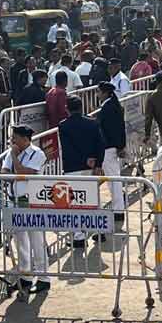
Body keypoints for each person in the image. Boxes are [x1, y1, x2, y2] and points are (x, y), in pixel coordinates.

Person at [1, 125, 49, 295]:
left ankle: (43, 278)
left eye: (15, 137)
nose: (12, 141)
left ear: (24, 138)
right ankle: (25, 276)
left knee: (37, 240)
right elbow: (4, 172)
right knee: (20, 240)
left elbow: (23, 172)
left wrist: (14, 156)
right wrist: (13, 159)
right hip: (14, 202)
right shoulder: (11, 153)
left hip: (32, 202)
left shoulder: (38, 154)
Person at [58, 96, 105, 248]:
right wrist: (97, 163)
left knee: (75, 203)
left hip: (72, 168)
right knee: (94, 199)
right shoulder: (92, 123)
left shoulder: (63, 126)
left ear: (67, 109)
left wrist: (84, 159)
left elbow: (68, 148)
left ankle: (79, 236)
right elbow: (100, 144)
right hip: (90, 168)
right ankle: (100, 230)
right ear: (81, 107)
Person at [95, 82, 126, 226]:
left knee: (114, 180)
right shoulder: (112, 105)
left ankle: (118, 210)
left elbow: (113, 129)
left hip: (108, 148)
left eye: (99, 92)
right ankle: (117, 209)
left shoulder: (108, 108)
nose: (97, 95)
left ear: (105, 93)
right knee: (114, 179)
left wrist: (119, 146)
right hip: (112, 147)